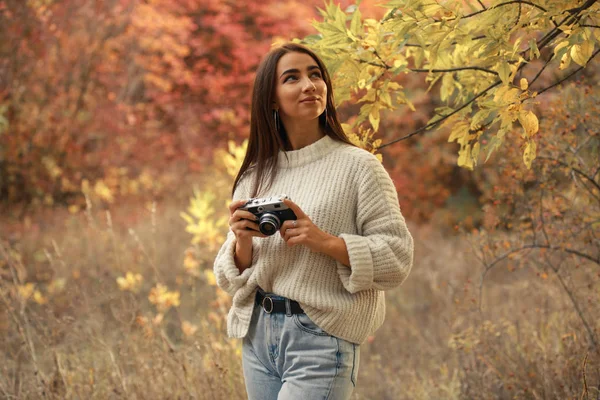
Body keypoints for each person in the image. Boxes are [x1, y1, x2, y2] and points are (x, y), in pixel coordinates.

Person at [213, 42, 414, 400]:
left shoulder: (359, 167)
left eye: (315, 74)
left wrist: (325, 241)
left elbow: (397, 257)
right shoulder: (255, 175)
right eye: (292, 78)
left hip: (320, 337)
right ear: (272, 99)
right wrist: (242, 241)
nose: (309, 84)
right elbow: (230, 276)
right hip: (257, 336)